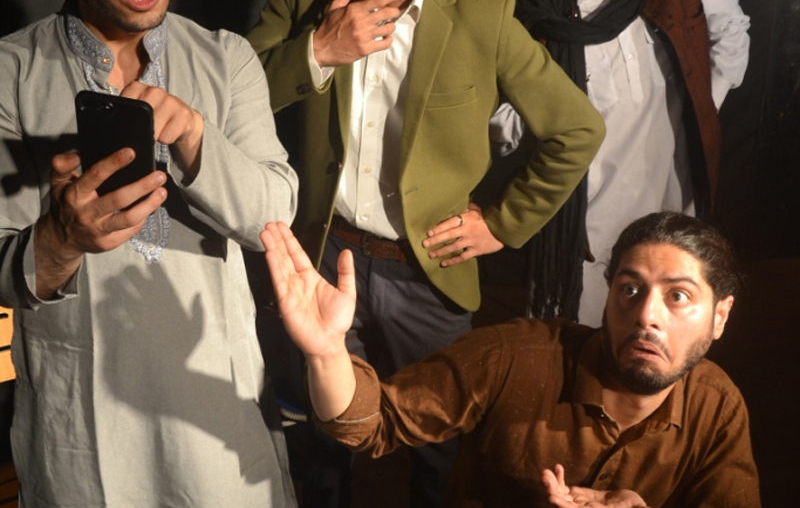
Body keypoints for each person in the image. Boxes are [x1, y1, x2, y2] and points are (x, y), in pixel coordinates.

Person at [247, 0, 604, 504]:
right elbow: (235, 94)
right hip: (321, 253)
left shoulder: (486, 12)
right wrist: (317, 50)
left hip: (428, 272)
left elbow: (577, 129)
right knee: (322, 434)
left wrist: (501, 223)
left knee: (439, 448)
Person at [1, 0, 299, 507]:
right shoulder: (11, 74)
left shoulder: (226, 59)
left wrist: (194, 136)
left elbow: (274, 217)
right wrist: (61, 239)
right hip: (85, 424)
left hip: (215, 406)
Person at [261, 211, 761, 508]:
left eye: (678, 297)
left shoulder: (716, 405)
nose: (647, 315)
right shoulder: (515, 356)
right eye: (630, 289)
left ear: (720, 316)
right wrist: (327, 351)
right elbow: (374, 422)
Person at [500, 0, 750, 326]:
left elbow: (731, 28)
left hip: (672, 198)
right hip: (584, 218)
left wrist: (703, 104)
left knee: (664, 335)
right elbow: (505, 113)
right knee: (579, 337)